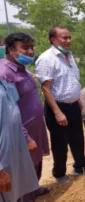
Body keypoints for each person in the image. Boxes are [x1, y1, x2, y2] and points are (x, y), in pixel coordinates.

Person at [35, 26, 85, 183]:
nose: (68, 41)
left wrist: (77, 100)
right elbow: (46, 89)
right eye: (64, 38)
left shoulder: (69, 56)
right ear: (53, 39)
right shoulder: (47, 59)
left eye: (69, 37)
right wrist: (58, 112)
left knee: (78, 138)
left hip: (73, 105)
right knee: (60, 143)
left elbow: (72, 81)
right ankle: (59, 174)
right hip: (57, 107)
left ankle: (80, 167)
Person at [0, 33, 50, 201]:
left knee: (36, 163)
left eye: (31, 46)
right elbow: (10, 111)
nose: (30, 51)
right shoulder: (5, 74)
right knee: (24, 168)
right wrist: (26, 137)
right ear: (11, 50)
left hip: (36, 126)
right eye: (25, 47)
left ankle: (34, 190)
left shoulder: (24, 70)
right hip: (22, 132)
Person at [0, 78, 39, 202]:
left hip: (13, 154)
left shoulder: (3, 82)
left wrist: (26, 137)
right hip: (2, 160)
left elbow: (13, 113)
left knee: (15, 191)